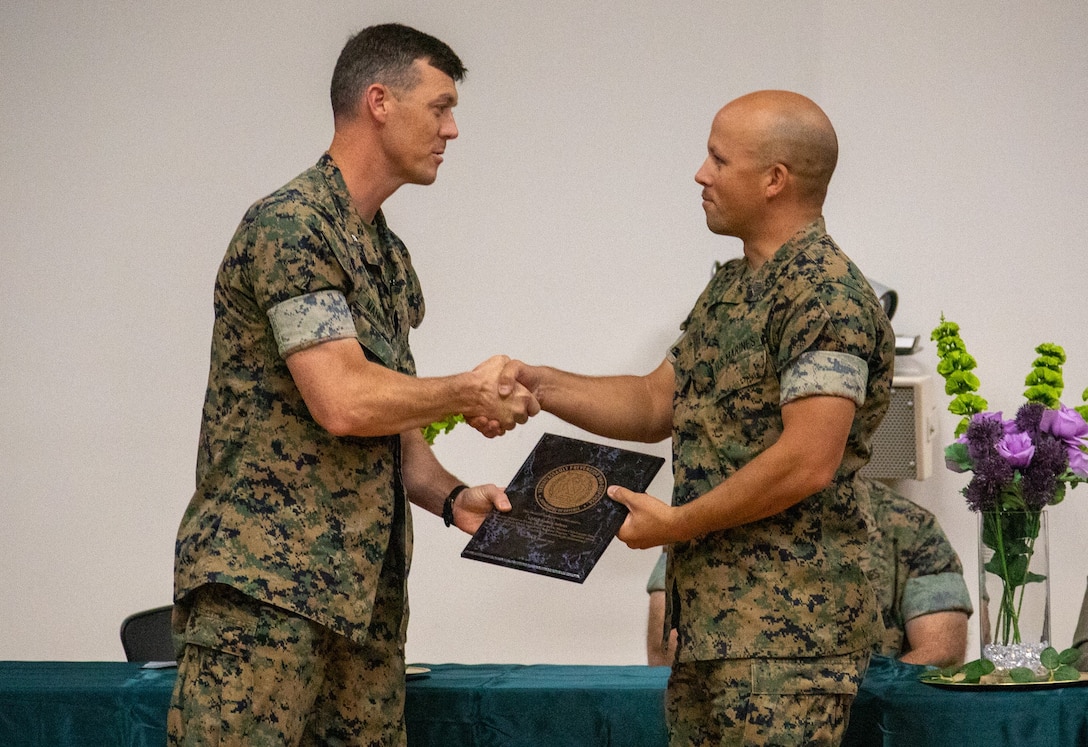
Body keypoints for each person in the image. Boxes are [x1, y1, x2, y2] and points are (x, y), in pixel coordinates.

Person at [169, 24, 539, 746]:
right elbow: (342, 400)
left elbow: (388, 421)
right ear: (378, 101)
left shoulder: (385, 254)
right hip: (265, 594)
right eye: (438, 107)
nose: (452, 129)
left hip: (362, 599)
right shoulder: (293, 225)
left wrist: (451, 496)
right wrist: (467, 389)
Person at [497, 90, 894, 745]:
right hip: (712, 627)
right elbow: (656, 403)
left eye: (717, 158)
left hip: (786, 636)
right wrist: (537, 383)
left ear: (774, 179)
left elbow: (808, 458)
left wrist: (677, 523)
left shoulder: (824, 296)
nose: (700, 174)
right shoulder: (733, 288)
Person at [646, 478, 972, 668]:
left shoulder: (910, 525)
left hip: (864, 719)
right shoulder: (706, 518)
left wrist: (844, 699)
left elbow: (943, 649)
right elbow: (667, 645)